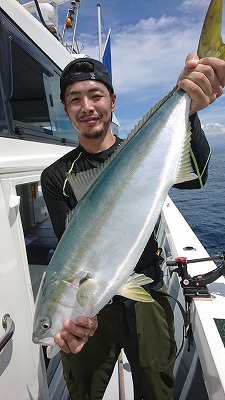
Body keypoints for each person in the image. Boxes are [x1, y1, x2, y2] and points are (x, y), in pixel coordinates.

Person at [41, 54, 225, 400]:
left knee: (156, 385)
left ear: (112, 101)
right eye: (74, 99)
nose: (87, 106)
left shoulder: (144, 148)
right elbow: (73, 250)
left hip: (148, 289)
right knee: (83, 389)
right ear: (66, 110)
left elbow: (196, 177)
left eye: (95, 95)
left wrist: (189, 108)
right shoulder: (56, 177)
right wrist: (83, 313)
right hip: (94, 305)